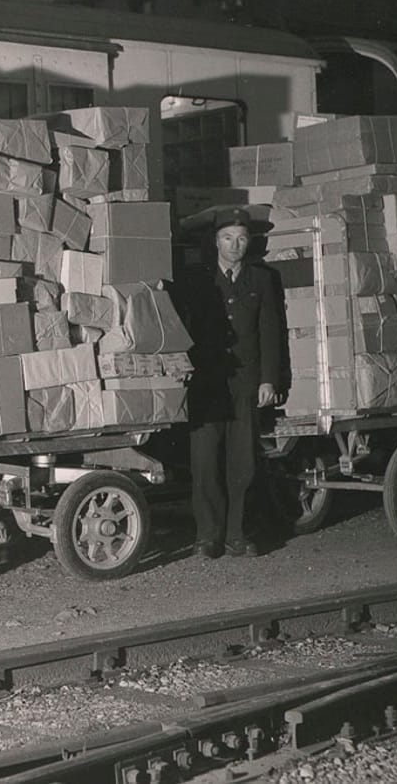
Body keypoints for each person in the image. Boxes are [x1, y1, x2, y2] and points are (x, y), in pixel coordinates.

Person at [177, 206, 284, 559]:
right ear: (215, 241)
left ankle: (238, 534)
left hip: (246, 382)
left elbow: (271, 333)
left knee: (243, 463)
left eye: (241, 238)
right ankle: (208, 536)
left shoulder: (262, 279)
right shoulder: (197, 280)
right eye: (227, 238)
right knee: (205, 461)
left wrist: (269, 380)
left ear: (248, 242)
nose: (234, 244)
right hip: (207, 383)